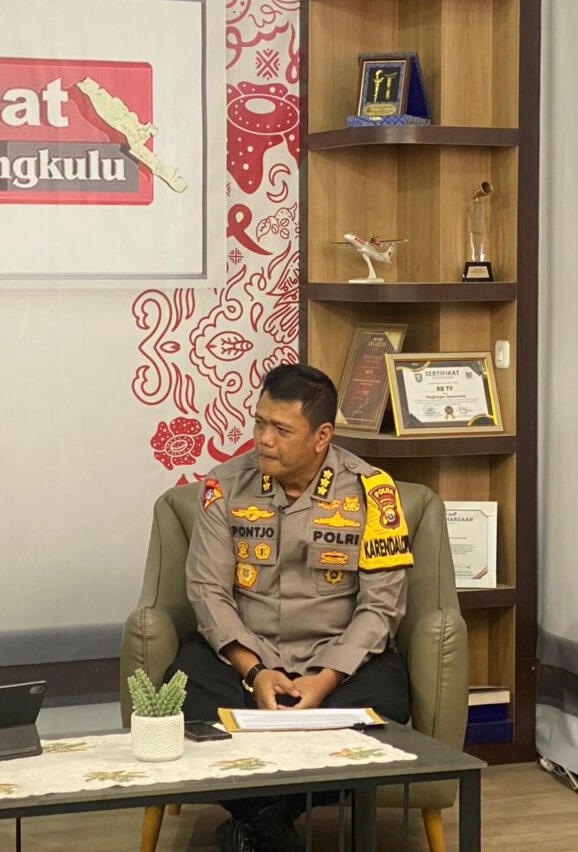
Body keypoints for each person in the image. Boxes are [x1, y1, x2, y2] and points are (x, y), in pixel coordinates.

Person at [167, 363, 413, 852]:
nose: (263, 439)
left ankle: (257, 822)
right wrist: (255, 671)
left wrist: (325, 679)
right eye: (259, 423)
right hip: (244, 659)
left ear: (322, 436)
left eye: (281, 429)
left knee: (384, 708)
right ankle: (275, 827)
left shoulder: (373, 492)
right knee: (184, 700)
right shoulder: (224, 485)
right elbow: (207, 591)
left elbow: (381, 607)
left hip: (337, 663)